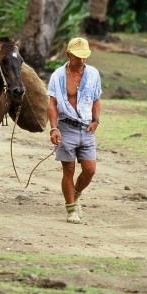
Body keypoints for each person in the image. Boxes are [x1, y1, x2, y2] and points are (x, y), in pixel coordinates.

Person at [47, 37, 102, 224]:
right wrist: (53, 128)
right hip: (66, 127)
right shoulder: (57, 76)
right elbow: (52, 104)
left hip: (86, 128)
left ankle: (76, 195)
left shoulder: (93, 74)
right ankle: (71, 210)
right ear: (68, 54)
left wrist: (96, 120)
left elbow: (96, 99)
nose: (82, 61)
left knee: (90, 170)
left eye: (85, 57)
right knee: (68, 169)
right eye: (78, 57)